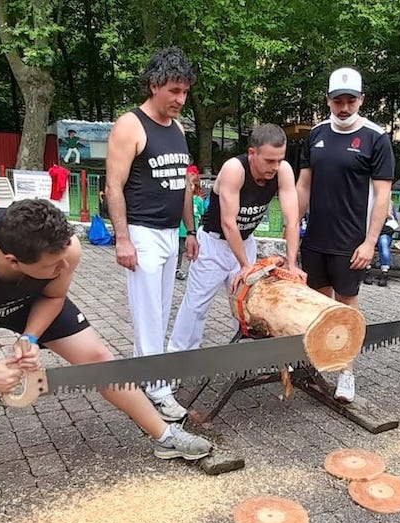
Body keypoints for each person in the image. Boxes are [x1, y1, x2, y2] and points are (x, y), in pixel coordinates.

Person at [0, 200, 240, 523]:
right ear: (13, 260)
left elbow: (53, 296)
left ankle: (166, 436)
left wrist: (30, 337)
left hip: (29, 298)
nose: (65, 267)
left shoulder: (63, 250)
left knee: (99, 359)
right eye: (53, 265)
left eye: (64, 259)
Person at [105, 47, 196, 422]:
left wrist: (190, 231)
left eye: (186, 92)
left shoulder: (176, 128)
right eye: (174, 91)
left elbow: (185, 183)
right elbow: (113, 186)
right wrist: (122, 239)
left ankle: (146, 378)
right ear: (154, 85)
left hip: (169, 232)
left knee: (159, 311)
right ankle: (158, 392)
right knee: (149, 316)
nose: (180, 99)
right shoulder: (130, 124)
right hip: (141, 231)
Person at [295, 67, 394, 403]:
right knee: (319, 306)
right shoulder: (316, 134)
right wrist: (293, 225)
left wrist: (370, 242)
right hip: (316, 238)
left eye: (351, 100)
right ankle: (321, 362)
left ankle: (347, 373)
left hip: (351, 242)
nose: (344, 107)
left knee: (346, 308)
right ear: (329, 100)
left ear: (361, 100)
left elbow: (383, 196)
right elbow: (303, 184)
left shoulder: (375, 137)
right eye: (338, 100)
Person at [169, 124, 300, 351]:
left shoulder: (283, 171)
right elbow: (228, 223)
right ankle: (177, 359)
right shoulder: (234, 169)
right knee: (196, 307)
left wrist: (292, 263)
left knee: (248, 306)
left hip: (245, 242)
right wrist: (245, 266)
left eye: (279, 160)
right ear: (252, 153)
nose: (275, 167)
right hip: (213, 245)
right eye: (269, 160)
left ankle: (244, 357)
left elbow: (293, 219)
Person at [177, 166, 202, 281]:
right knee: (180, 249)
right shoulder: (180, 194)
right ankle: (177, 268)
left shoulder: (199, 200)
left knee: (191, 250)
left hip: (193, 229)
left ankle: (192, 270)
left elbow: (201, 214)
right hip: (181, 228)